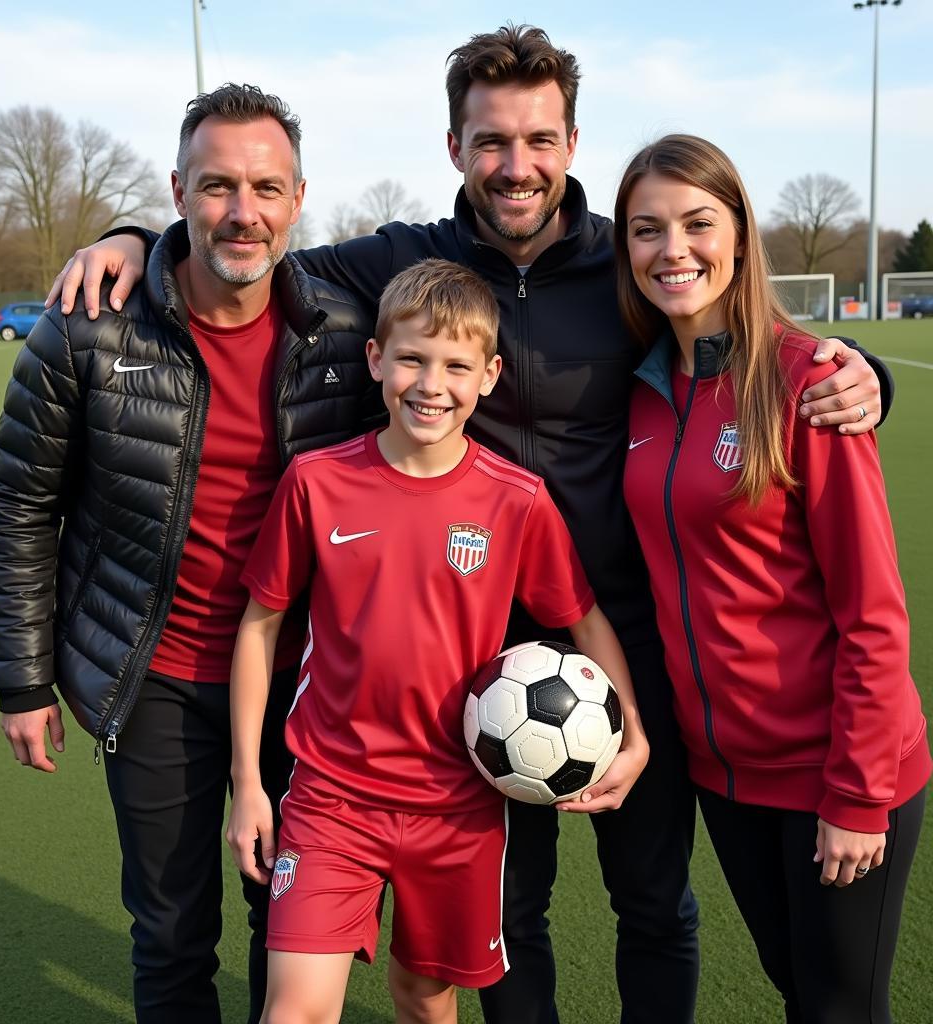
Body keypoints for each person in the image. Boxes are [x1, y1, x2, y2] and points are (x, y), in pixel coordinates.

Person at [44, 26, 891, 1024]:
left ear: (571, 142)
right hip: (485, 668)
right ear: (455, 148)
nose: (516, 164)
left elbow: (738, 332)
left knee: (653, 903)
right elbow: (247, 247)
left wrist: (863, 375)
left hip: (624, 641)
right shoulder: (402, 260)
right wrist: (136, 236)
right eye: (490, 141)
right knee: (514, 912)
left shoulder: (623, 263)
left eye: (538, 139)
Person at [0, 83, 383, 1024]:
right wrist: (23, 681)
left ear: (298, 196)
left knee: (290, 925)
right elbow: (18, 505)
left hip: (302, 682)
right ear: (176, 190)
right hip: (152, 672)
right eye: (217, 187)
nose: (244, 213)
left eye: (267, 188)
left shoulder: (344, 337)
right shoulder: (85, 328)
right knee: (170, 933)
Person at [226, 258, 648, 1024]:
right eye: (413, 358)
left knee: (425, 998)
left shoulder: (515, 500)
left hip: (459, 807)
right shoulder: (317, 482)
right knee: (295, 1011)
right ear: (375, 360)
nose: (432, 384)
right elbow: (259, 627)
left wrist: (635, 735)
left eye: (456, 365)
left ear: (488, 375)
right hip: (331, 796)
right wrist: (249, 783)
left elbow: (584, 620)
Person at [616, 133, 930, 1023]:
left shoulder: (807, 383)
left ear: (742, 236)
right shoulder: (641, 390)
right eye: (646, 229)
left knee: (840, 1010)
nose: (672, 249)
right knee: (800, 991)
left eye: (696, 223)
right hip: (726, 776)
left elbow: (873, 610)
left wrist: (860, 794)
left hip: (836, 770)